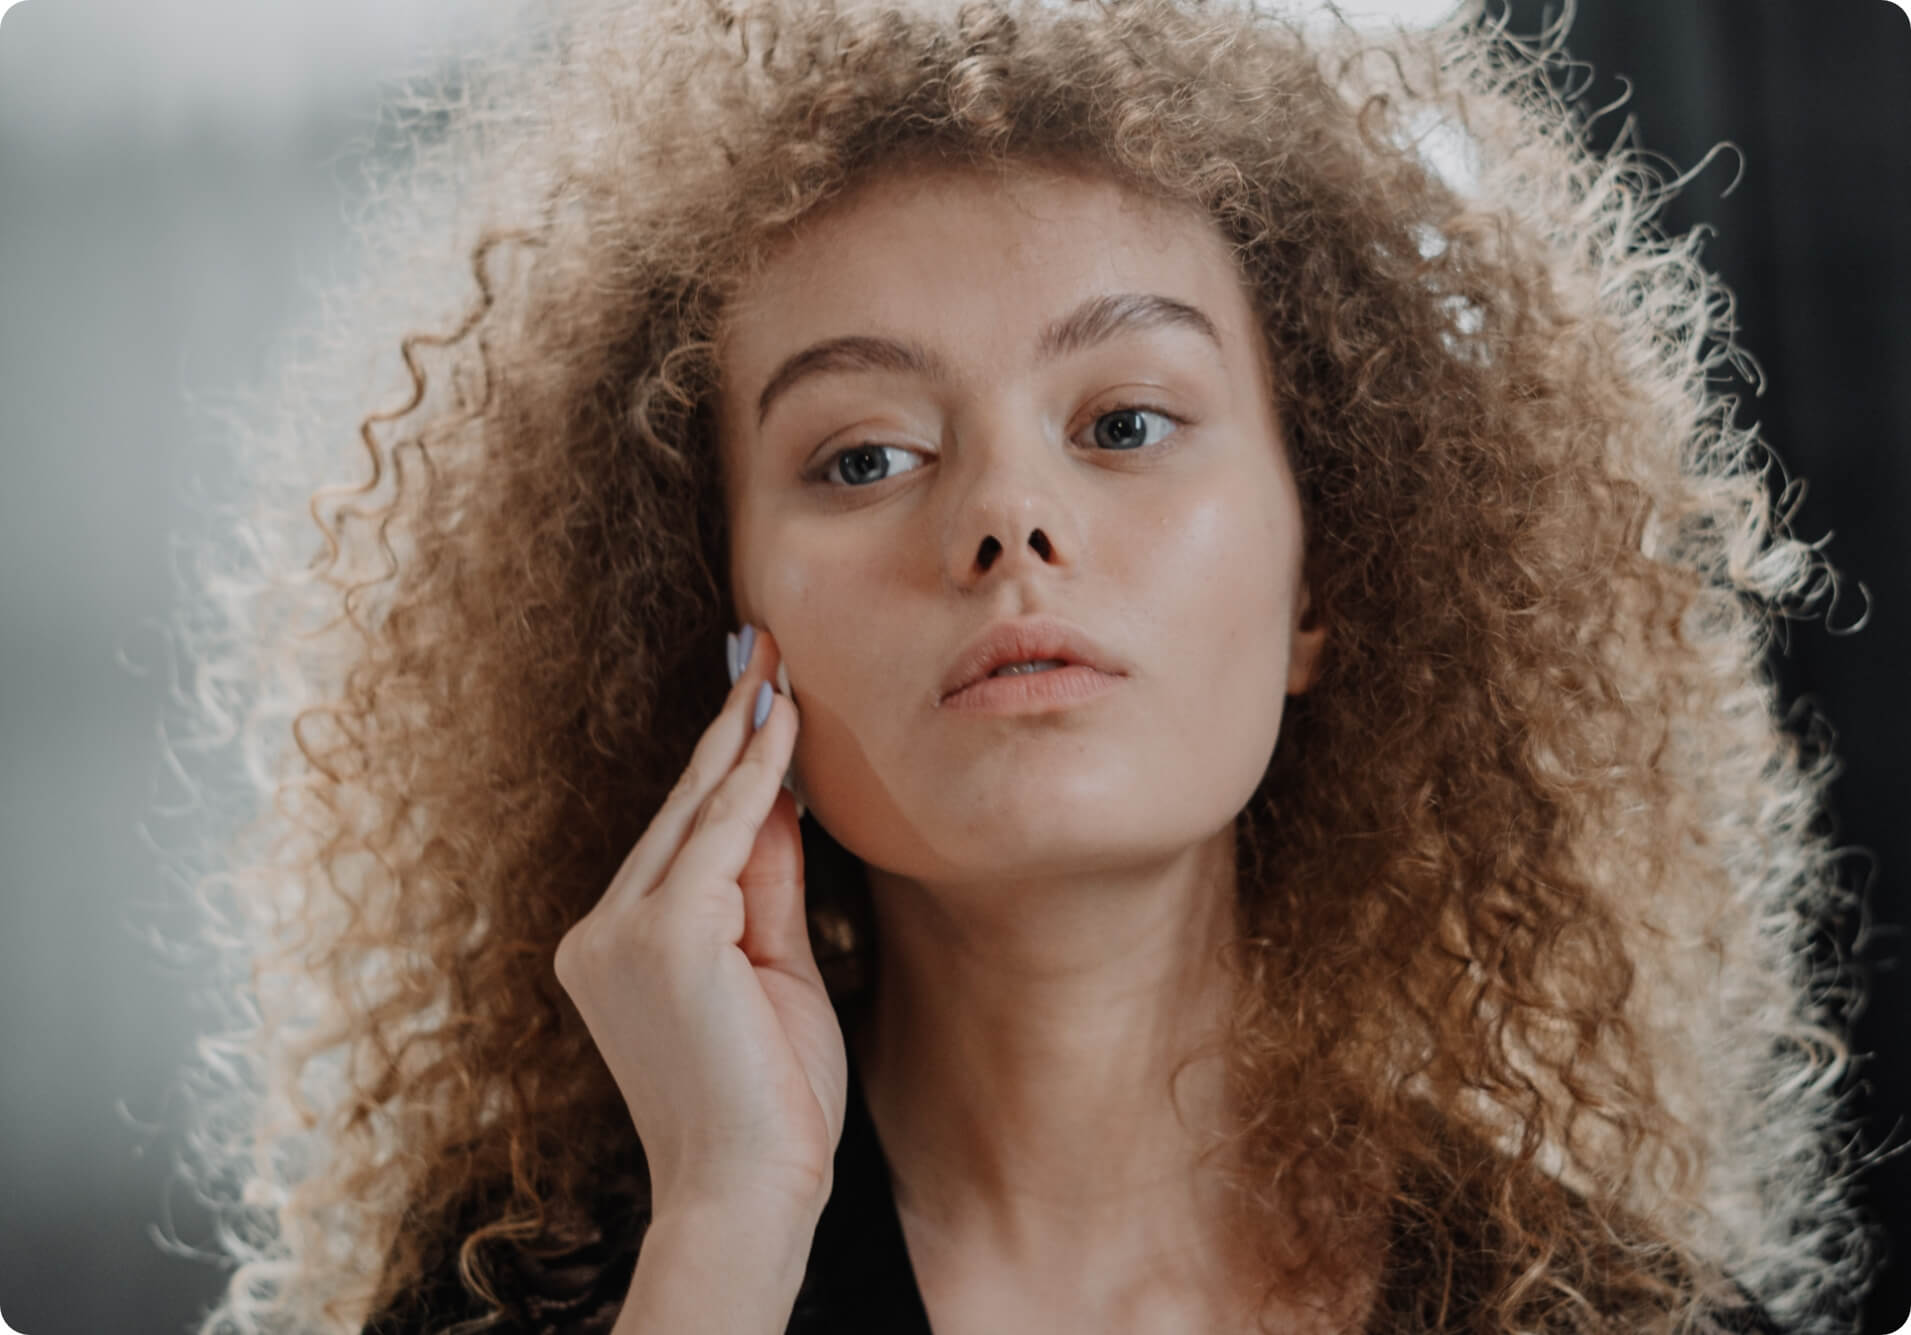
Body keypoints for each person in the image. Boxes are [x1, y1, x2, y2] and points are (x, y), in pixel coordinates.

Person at [169, 0, 1878, 1332]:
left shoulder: (1622, 1321)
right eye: (862, 457)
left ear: (1321, 588)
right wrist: (726, 1238)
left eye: (1125, 422)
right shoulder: (530, 1299)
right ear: (711, 624)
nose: (1008, 524)